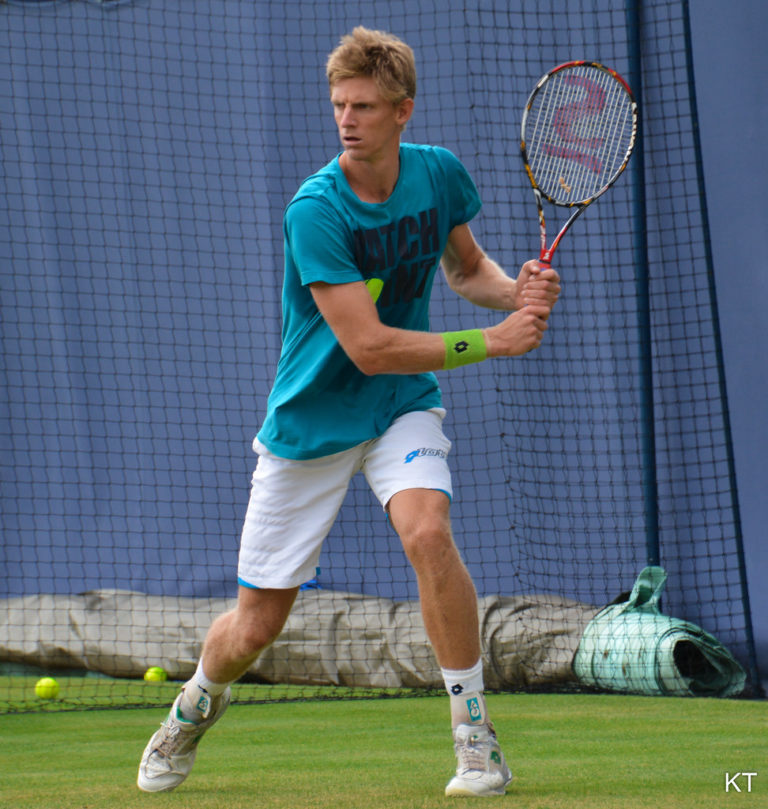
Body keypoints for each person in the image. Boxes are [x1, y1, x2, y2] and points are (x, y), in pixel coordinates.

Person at [137, 26, 560, 798]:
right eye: (339, 104)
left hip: (399, 405)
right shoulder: (316, 209)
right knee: (255, 626)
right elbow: (367, 347)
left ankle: (475, 736)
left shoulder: (439, 174)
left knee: (428, 532)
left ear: (403, 110)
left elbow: (467, 268)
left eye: (363, 105)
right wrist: (494, 341)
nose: (346, 119)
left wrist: (516, 291)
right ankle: (194, 704)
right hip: (313, 420)